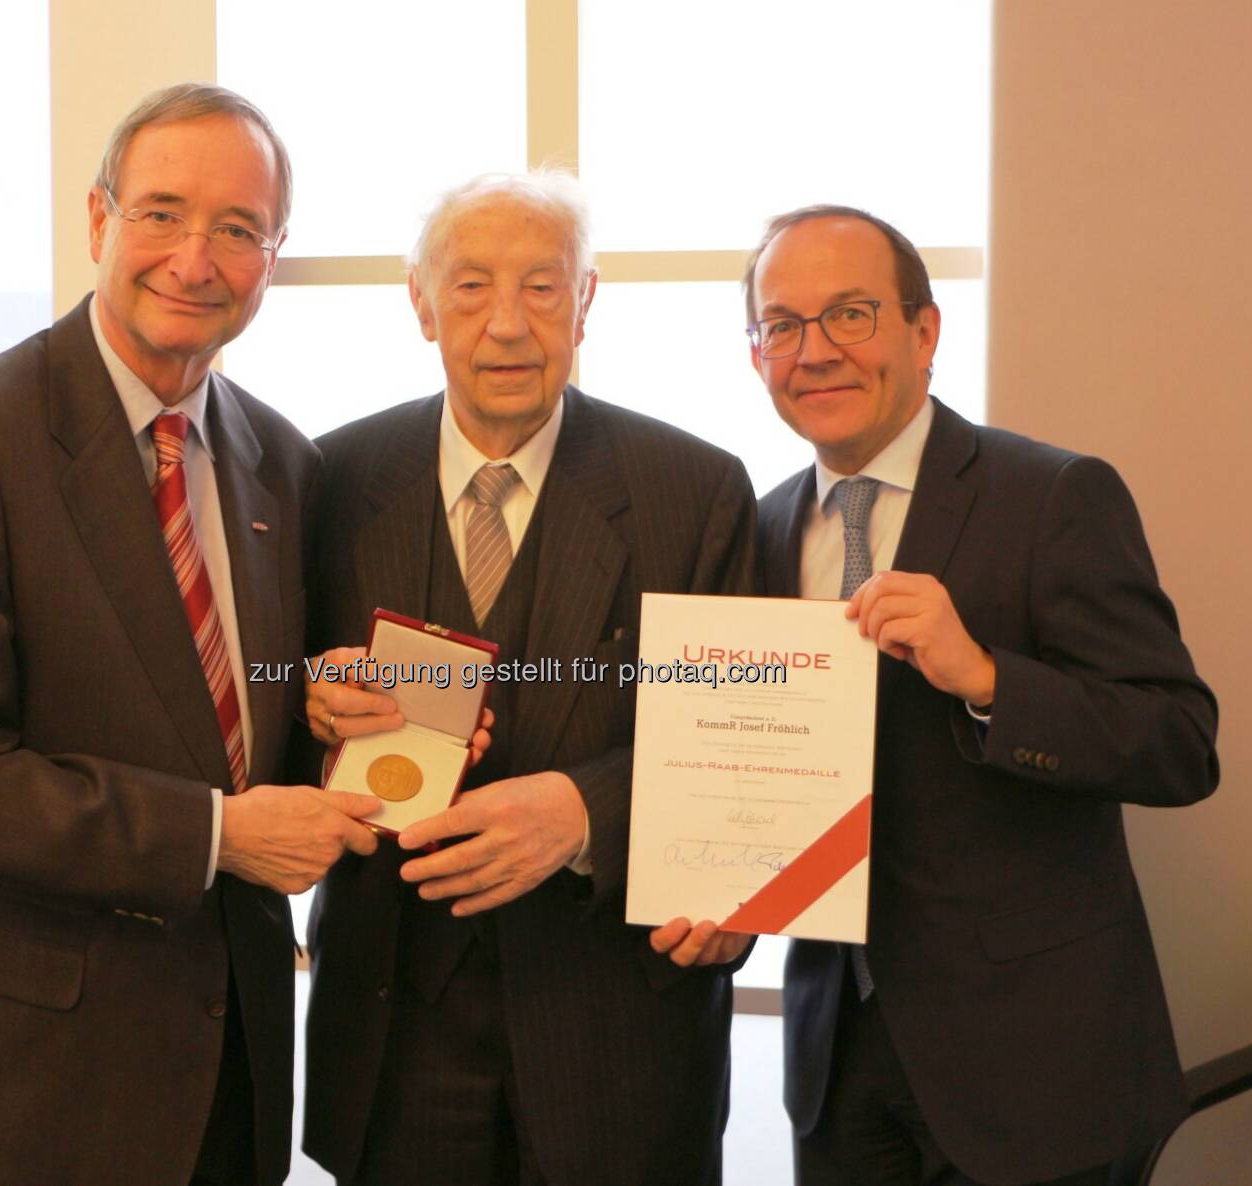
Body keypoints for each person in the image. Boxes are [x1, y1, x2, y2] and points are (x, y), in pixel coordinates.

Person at [0, 83, 380, 1186]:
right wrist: (216, 836)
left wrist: (330, 718)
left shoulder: (284, 462)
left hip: (228, 1069)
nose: (196, 258)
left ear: (272, 258)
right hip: (30, 1073)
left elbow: (240, 745)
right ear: (99, 221)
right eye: (161, 213)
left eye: (237, 229)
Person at [736, 205, 1218, 1185]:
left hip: (1035, 1068)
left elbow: (1179, 742)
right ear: (757, 355)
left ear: (924, 331)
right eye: (781, 324)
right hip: (838, 1064)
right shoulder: (757, 529)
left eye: (850, 314)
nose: (814, 351)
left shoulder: (1053, 497)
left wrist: (992, 680)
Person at [298, 170, 758, 1186]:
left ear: (586, 300)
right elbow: (266, 731)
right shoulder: (325, 481)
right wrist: (312, 701)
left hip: (618, 1044)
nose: (507, 324)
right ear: (420, 304)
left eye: (542, 288)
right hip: (392, 1039)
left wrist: (586, 812)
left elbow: (742, 753)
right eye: (469, 287)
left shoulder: (697, 490)